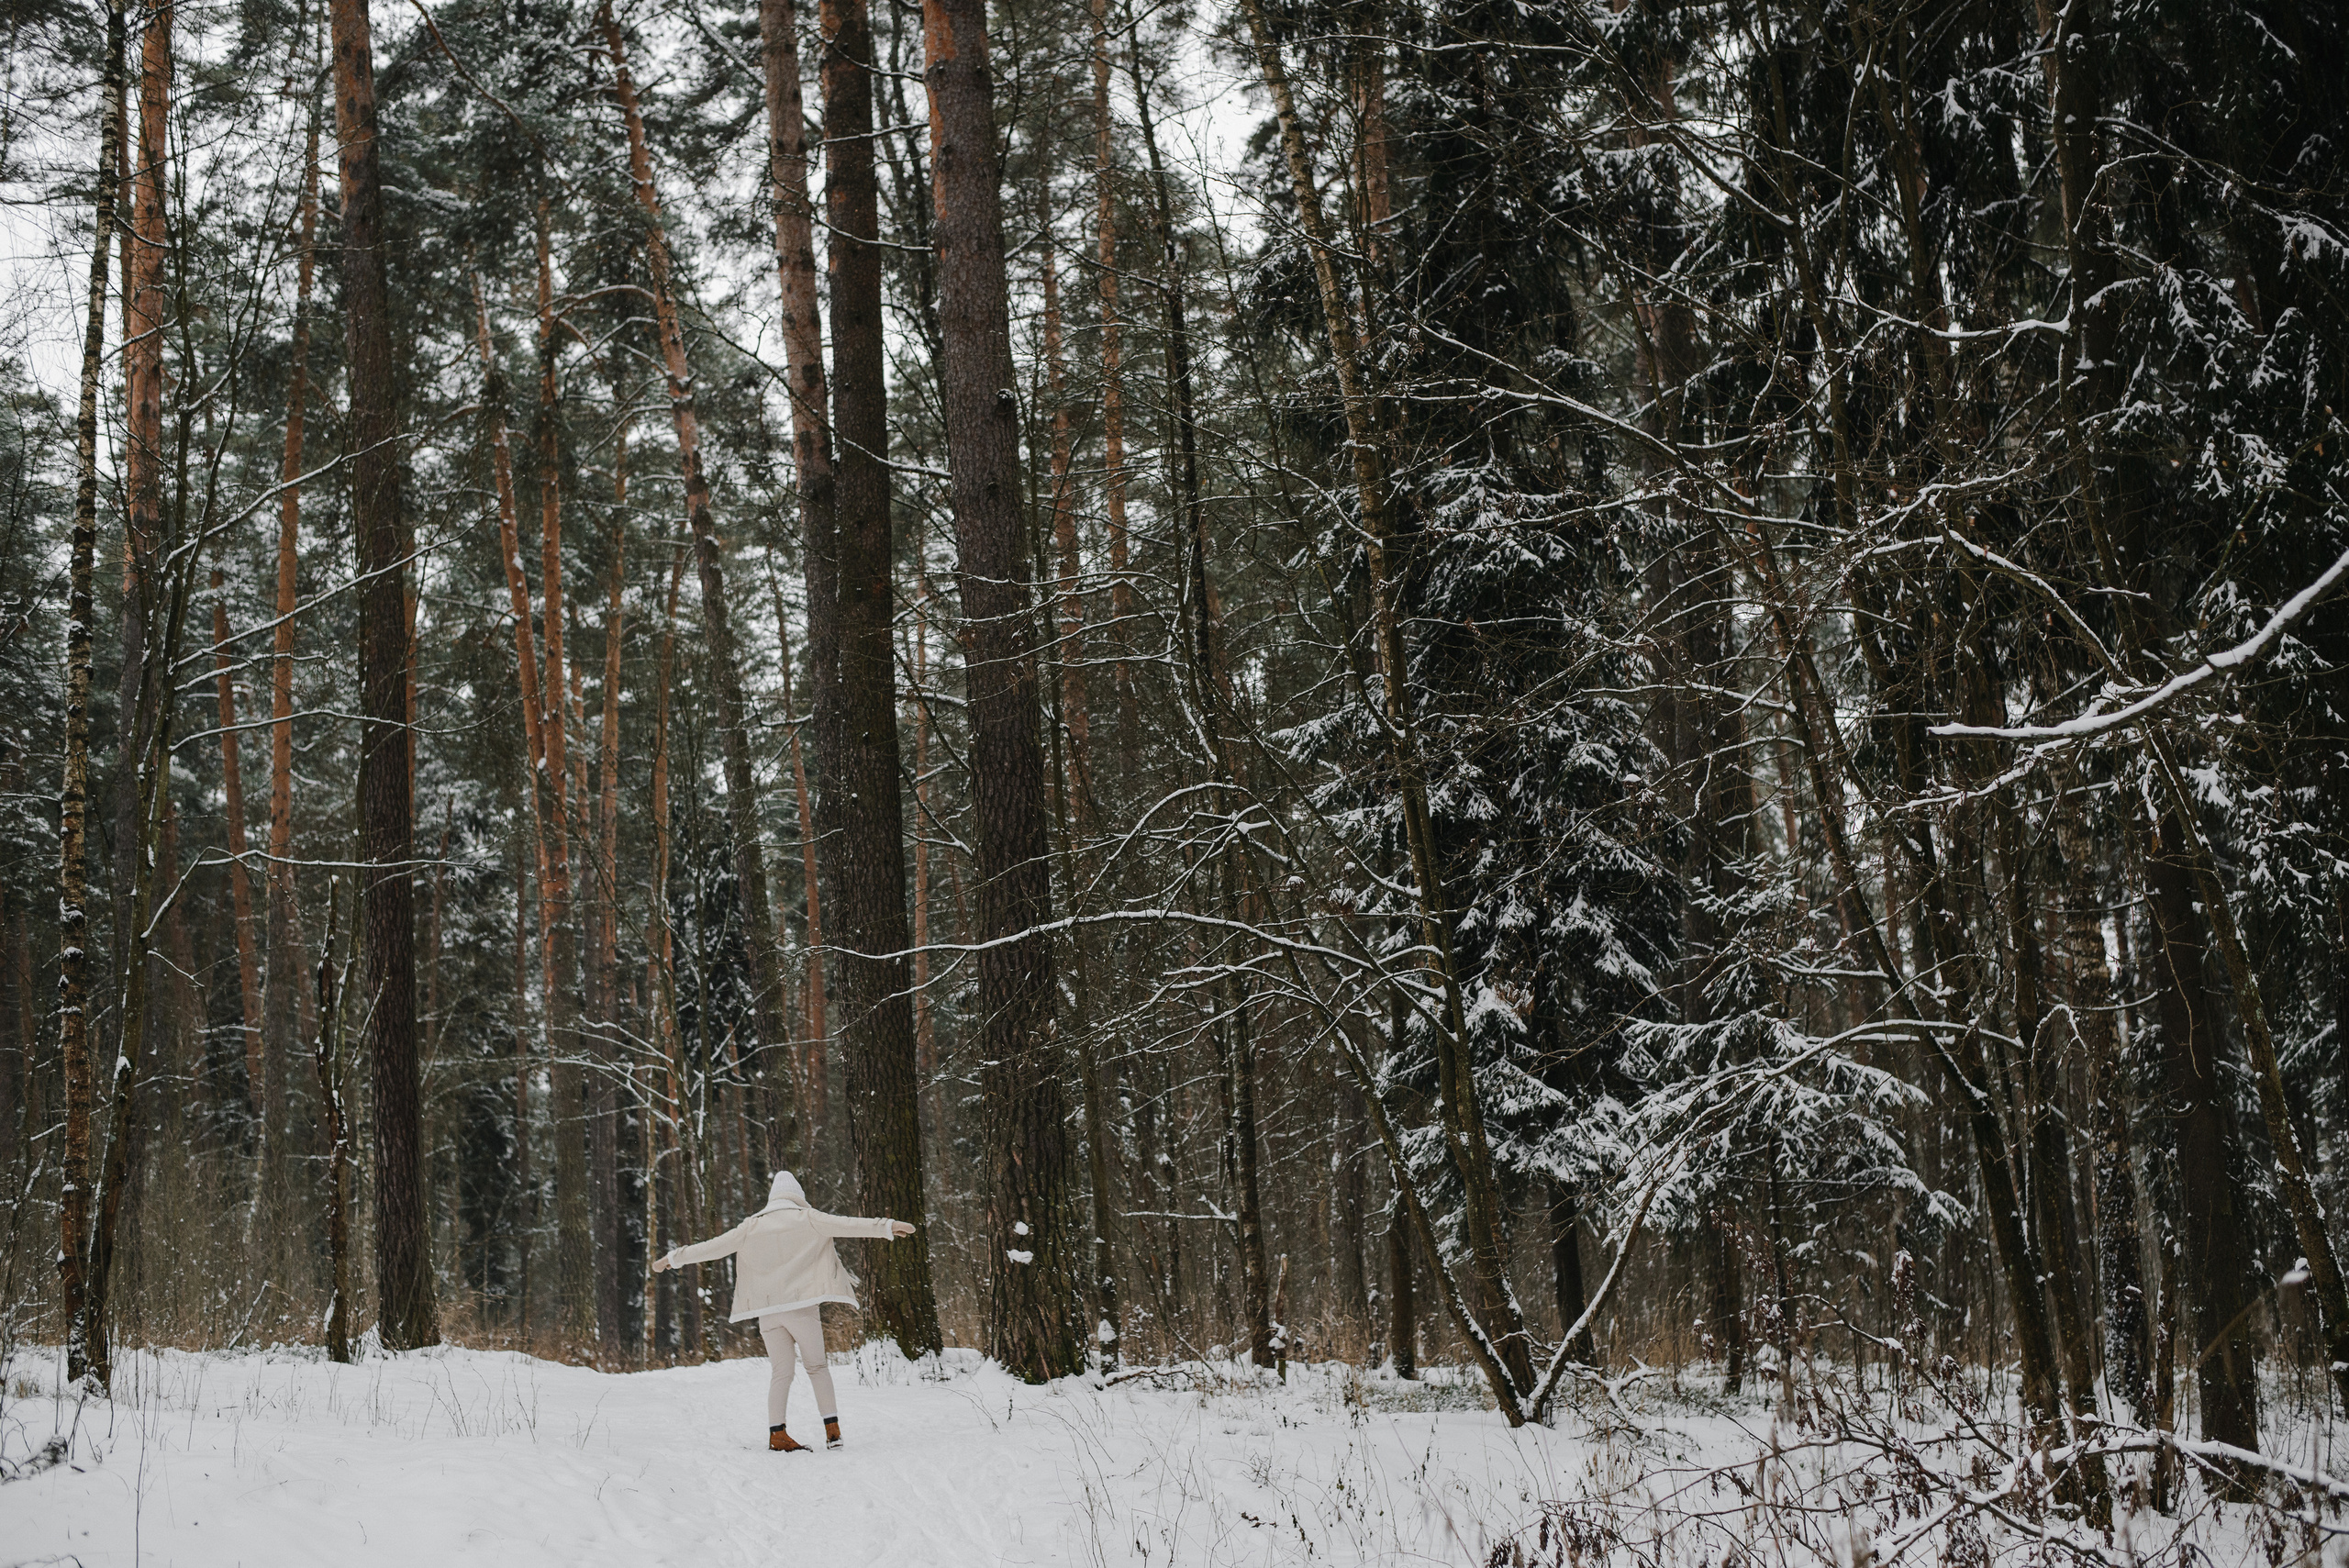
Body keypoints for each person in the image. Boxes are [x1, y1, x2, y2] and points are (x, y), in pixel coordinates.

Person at [652, 1171, 917, 1451]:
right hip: (801, 1309)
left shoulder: (751, 1226)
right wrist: (887, 1227)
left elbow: (713, 1248)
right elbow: (848, 1225)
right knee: (816, 1367)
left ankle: (777, 1434)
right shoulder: (808, 1218)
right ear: (798, 1196)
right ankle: (832, 1431)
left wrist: (673, 1258)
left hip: (768, 1313)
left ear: (772, 1199)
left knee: (781, 1373)